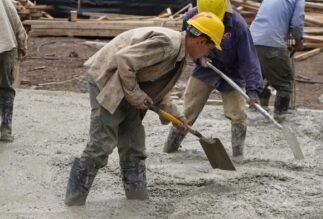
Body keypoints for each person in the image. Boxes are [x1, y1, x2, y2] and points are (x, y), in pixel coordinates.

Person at [64, 12, 225, 206]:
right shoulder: (168, 44)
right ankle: (74, 202)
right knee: (101, 144)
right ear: (200, 41)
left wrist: (176, 113)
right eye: (210, 47)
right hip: (108, 83)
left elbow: (156, 86)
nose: (208, 54)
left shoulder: (178, 53)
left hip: (128, 86)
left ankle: (137, 200)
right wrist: (136, 95)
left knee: (134, 145)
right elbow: (123, 59)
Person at [163, 0, 263, 158]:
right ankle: (169, 149)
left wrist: (253, 90)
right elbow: (186, 44)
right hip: (205, 67)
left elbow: (248, 58)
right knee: (187, 110)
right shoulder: (191, 17)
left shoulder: (237, 25)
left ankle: (238, 156)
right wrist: (198, 59)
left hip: (232, 71)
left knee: (238, 114)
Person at [250, 0, 305, 122]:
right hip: (272, 41)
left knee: (261, 75)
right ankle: (279, 117)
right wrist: (299, 40)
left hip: (252, 39)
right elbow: (297, 23)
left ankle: (261, 108)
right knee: (284, 84)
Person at [0, 0, 28, 142]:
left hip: (6, 45)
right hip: (6, 46)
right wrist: (22, 45)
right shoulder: (5, 2)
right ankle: (6, 130)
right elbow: (17, 23)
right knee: (6, 89)